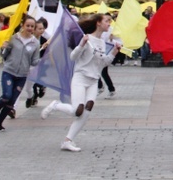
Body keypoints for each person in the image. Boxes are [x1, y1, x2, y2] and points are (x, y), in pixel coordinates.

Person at [41, 14, 120, 152]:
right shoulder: (87, 39)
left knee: (87, 110)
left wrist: (114, 52)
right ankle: (55, 105)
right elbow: (73, 57)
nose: (109, 23)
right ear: (98, 23)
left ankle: (67, 141)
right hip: (80, 77)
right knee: (77, 110)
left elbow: (103, 63)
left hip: (93, 80)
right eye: (107, 20)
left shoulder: (102, 42)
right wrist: (82, 44)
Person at [0, 16, 41, 131]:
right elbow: (3, 55)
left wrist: (45, 60)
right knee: (6, 96)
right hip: (9, 72)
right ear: (22, 25)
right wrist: (3, 48)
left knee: (12, 101)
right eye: (28, 26)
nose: (30, 28)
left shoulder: (35, 43)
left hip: (22, 75)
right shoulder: (13, 38)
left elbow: (34, 61)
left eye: (32, 26)